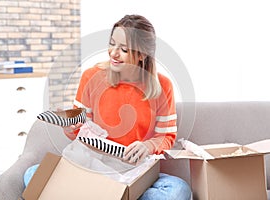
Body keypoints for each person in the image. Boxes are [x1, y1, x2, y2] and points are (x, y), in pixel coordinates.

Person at [24, 14, 192, 200]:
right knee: (32, 174)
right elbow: (79, 129)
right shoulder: (92, 76)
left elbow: (166, 136)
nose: (113, 53)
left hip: (134, 171)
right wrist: (70, 128)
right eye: (112, 44)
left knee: (178, 189)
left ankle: (106, 195)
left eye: (124, 49)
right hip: (93, 167)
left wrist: (148, 145)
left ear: (142, 55)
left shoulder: (162, 86)